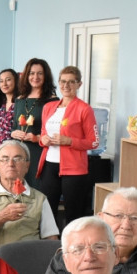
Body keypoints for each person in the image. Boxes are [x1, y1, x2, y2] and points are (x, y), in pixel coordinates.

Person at [38, 65, 99, 225]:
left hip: (74, 169)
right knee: (47, 212)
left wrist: (69, 141)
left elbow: (94, 142)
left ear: (79, 84)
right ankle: (49, 240)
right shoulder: (49, 107)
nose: (66, 85)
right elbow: (43, 133)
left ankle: (72, 241)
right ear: (58, 83)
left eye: (71, 82)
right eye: (63, 81)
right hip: (49, 165)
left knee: (73, 214)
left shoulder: (84, 109)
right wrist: (43, 140)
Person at [0, 140, 58, 252]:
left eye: (17, 159)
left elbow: (51, 239)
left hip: (27, 260)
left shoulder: (39, 198)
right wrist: (2, 217)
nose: (10, 164)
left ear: (27, 165)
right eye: (5, 159)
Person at [10, 58, 58, 189]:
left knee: (37, 190)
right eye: (32, 73)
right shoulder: (20, 99)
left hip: (40, 154)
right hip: (20, 153)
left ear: (46, 76)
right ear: (26, 75)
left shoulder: (52, 101)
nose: (35, 77)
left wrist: (36, 138)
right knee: (19, 190)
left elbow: (54, 132)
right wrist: (14, 133)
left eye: (40, 73)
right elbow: (14, 127)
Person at [0, 68, 19, 179]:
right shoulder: (0, 104)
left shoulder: (20, 103)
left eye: (8, 80)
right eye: (1, 81)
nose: (4, 84)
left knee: (13, 181)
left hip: (14, 151)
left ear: (16, 81)